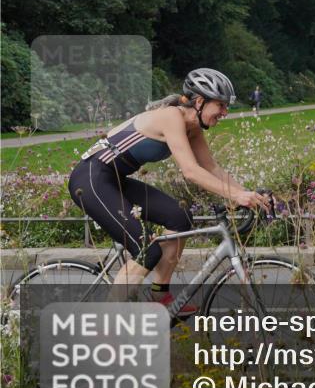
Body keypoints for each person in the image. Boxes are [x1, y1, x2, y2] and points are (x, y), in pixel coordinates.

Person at [68, 69, 271, 314]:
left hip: (114, 179)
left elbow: (211, 167)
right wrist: (236, 196)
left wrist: (248, 195)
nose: (224, 113)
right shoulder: (170, 117)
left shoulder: (192, 127)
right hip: (91, 178)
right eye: (221, 105)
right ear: (199, 102)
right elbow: (191, 171)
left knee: (179, 216)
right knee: (147, 251)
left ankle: (159, 295)